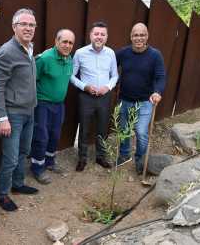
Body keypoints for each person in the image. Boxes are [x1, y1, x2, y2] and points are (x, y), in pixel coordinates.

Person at [0, 8, 39, 212]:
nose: (28, 28)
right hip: (13, 114)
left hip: (30, 111)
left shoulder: (28, 48)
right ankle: (2, 195)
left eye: (31, 25)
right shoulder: (6, 52)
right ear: (14, 27)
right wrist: (3, 118)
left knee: (24, 151)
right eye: (24, 24)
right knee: (10, 157)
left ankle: (17, 185)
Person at [115, 22, 166, 174]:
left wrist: (158, 91)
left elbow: (161, 76)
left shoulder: (155, 55)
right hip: (125, 100)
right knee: (124, 129)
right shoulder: (123, 53)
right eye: (136, 35)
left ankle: (140, 158)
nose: (139, 38)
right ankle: (124, 155)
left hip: (145, 102)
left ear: (147, 36)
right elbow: (109, 67)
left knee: (141, 131)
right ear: (131, 37)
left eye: (142, 35)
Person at [71, 21, 119, 172]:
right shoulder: (80, 53)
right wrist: (84, 86)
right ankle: (82, 158)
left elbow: (115, 75)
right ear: (91, 35)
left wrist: (108, 87)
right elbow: (71, 76)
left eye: (102, 34)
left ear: (106, 37)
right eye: (96, 34)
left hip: (104, 97)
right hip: (86, 97)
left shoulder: (111, 53)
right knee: (84, 128)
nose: (99, 37)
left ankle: (101, 157)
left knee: (103, 128)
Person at [29, 29, 76, 184]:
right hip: (42, 104)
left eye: (70, 43)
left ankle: (49, 162)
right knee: (41, 136)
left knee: (55, 135)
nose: (67, 45)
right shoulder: (45, 58)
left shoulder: (69, 59)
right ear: (56, 41)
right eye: (64, 41)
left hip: (59, 105)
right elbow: (30, 80)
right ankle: (37, 168)